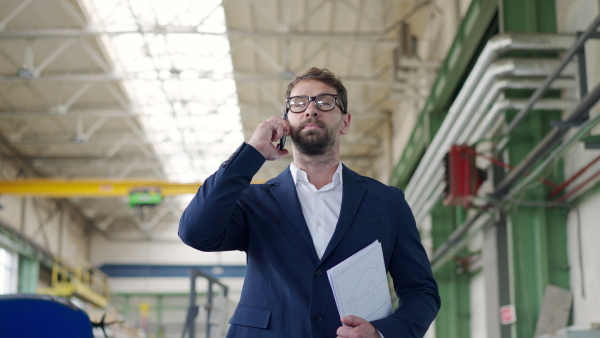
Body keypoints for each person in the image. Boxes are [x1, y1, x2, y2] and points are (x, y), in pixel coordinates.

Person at [179, 67, 440, 337]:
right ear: (285, 123)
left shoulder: (387, 202)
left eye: (325, 102)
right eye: (299, 103)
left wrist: (382, 333)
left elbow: (421, 291)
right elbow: (195, 232)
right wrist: (251, 153)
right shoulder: (253, 200)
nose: (311, 110)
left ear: (346, 122)